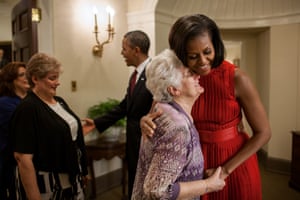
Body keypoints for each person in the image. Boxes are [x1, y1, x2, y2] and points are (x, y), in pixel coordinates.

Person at [140, 14, 271, 200]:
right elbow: (157, 114)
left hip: (235, 164)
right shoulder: (175, 79)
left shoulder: (237, 78)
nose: (202, 61)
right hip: (194, 167)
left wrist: (225, 170)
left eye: (207, 51)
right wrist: (145, 121)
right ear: (181, 54)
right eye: (193, 56)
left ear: (215, 45)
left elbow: (264, 132)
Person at [131, 49, 225, 200]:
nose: (197, 75)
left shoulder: (162, 108)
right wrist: (209, 185)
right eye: (189, 74)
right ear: (174, 89)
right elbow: (157, 191)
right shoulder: (177, 127)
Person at [84, 30, 153, 198]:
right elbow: (125, 106)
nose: (122, 53)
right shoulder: (135, 75)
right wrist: (97, 122)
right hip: (133, 143)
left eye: (124, 48)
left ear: (136, 50)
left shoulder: (154, 73)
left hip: (147, 144)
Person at [10, 53, 88, 200]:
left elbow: (66, 134)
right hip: (50, 185)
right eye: (52, 78)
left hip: (72, 180)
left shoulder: (60, 101)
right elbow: (23, 158)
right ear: (35, 79)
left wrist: (82, 171)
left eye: (58, 77)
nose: (57, 82)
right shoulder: (28, 108)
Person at [0, 62, 30, 199]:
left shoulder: (30, 100)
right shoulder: (5, 103)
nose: (27, 77)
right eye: (22, 75)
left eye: (27, 74)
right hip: (12, 162)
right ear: (12, 80)